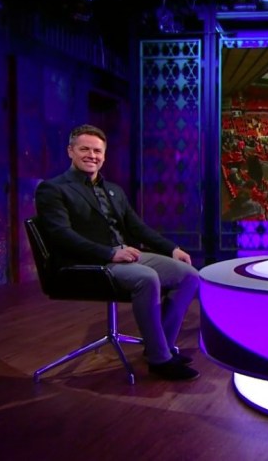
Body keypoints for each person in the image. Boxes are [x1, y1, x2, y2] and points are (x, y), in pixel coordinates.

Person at [34, 124, 201, 381]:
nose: (92, 155)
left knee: (189, 275)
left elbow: (137, 227)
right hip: (88, 261)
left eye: (97, 151)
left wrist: (172, 249)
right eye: (85, 149)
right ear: (70, 151)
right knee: (146, 278)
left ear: (104, 155)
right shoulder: (53, 189)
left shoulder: (113, 189)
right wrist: (110, 253)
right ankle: (160, 361)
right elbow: (61, 236)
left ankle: (160, 346)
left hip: (124, 254)